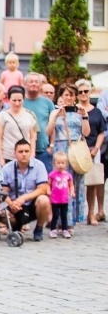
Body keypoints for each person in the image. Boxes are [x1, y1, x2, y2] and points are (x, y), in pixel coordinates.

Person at [47, 84, 90, 232]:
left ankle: (71, 222)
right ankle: (59, 221)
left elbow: (86, 132)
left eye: (72, 95)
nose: (69, 97)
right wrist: (56, 116)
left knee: (75, 185)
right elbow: (48, 131)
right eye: (66, 94)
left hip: (76, 150)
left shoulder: (79, 112)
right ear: (61, 96)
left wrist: (84, 116)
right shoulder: (55, 111)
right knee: (60, 185)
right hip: (61, 150)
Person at [1, 139, 51, 241]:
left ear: (30, 152)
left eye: (26, 151)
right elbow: (3, 192)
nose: (24, 154)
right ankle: (15, 227)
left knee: (44, 200)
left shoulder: (39, 166)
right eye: (20, 152)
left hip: (32, 204)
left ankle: (39, 228)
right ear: (15, 154)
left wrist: (23, 198)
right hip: (14, 205)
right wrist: (11, 204)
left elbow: (42, 189)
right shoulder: (6, 168)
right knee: (0, 211)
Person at [75, 79, 106, 225]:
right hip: (76, 150)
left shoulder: (97, 111)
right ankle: (73, 214)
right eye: (80, 92)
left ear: (89, 92)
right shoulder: (73, 110)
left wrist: (95, 148)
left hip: (93, 149)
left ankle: (91, 213)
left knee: (92, 183)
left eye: (85, 91)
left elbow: (101, 132)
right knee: (73, 182)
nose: (83, 94)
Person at [24, 73, 56, 172]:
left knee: (46, 181)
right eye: (31, 81)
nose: (34, 84)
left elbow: (53, 125)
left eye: (36, 82)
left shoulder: (48, 103)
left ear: (41, 85)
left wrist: (51, 146)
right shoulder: (20, 101)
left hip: (44, 150)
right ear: (25, 84)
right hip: (24, 151)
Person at [0, 86, 37, 165]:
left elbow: (32, 137)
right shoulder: (3, 115)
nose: (17, 103)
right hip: (8, 155)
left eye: (19, 100)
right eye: (14, 100)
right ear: (9, 100)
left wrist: (32, 153)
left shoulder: (29, 115)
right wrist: (0, 157)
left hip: (25, 155)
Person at [47, 151, 75, 238]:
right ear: (54, 163)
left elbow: (71, 185)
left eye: (63, 163)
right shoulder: (52, 174)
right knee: (55, 215)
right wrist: (48, 191)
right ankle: (53, 229)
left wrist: (72, 192)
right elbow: (48, 184)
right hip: (55, 199)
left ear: (66, 163)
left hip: (64, 199)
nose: (60, 165)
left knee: (64, 215)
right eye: (58, 163)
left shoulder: (68, 175)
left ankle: (65, 229)